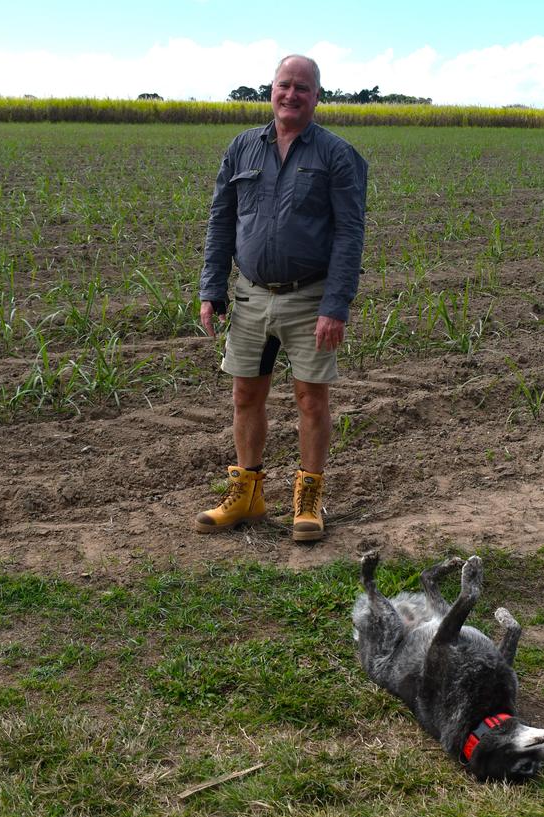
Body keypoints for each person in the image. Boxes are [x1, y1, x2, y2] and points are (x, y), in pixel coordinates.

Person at [195, 54, 367, 541]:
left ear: (317, 96)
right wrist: (213, 289)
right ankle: (247, 493)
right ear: (270, 90)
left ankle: (308, 499)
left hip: (309, 297)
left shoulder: (337, 155)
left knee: (311, 400)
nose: (292, 95)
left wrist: (336, 304)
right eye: (284, 86)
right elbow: (221, 221)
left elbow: (349, 234)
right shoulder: (242, 148)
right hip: (250, 296)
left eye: (303, 88)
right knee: (245, 395)